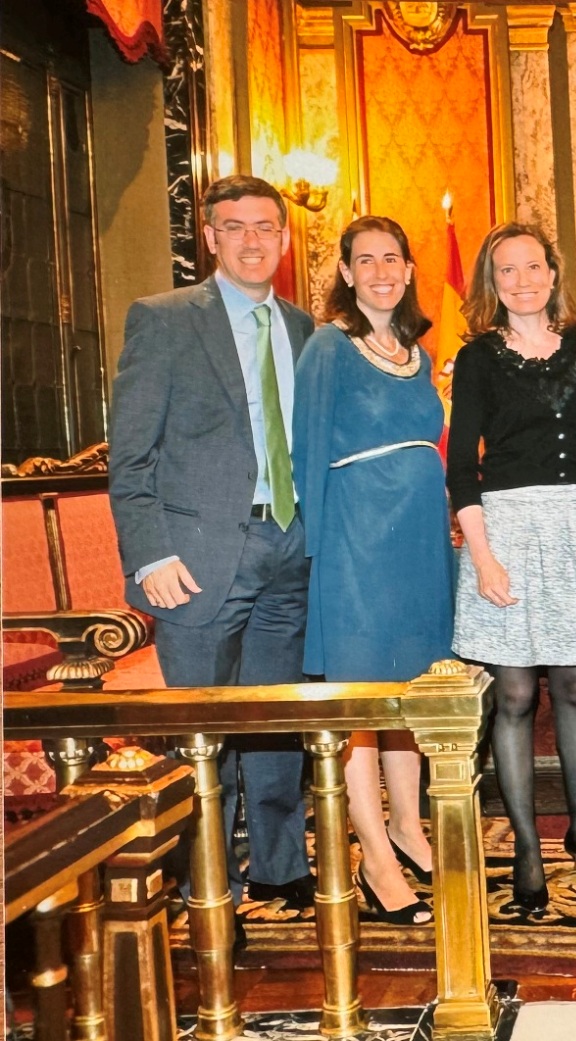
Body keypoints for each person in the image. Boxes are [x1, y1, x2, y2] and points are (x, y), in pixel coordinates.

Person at [109, 174, 316, 911]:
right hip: (195, 560)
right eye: (235, 226)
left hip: (291, 545)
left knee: (277, 722)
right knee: (203, 734)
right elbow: (130, 455)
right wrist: (150, 553)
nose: (252, 240)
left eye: (265, 227)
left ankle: (281, 866)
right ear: (210, 237)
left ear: (284, 238)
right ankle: (209, 884)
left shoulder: (304, 328)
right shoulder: (163, 320)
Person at [447, 222, 576, 916]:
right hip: (508, 531)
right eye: (507, 270)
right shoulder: (477, 358)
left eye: (533, 267)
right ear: (492, 284)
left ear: (553, 274)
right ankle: (527, 845)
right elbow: (462, 466)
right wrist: (482, 556)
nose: (522, 280)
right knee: (517, 694)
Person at [293, 215, 452, 925]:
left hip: (418, 542)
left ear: (410, 270)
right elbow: (305, 455)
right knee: (362, 695)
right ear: (346, 272)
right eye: (366, 260)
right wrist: (316, 557)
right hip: (355, 541)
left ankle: (409, 828)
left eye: (393, 258)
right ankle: (375, 857)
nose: (381, 271)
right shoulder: (328, 346)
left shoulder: (418, 351)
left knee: (409, 688)